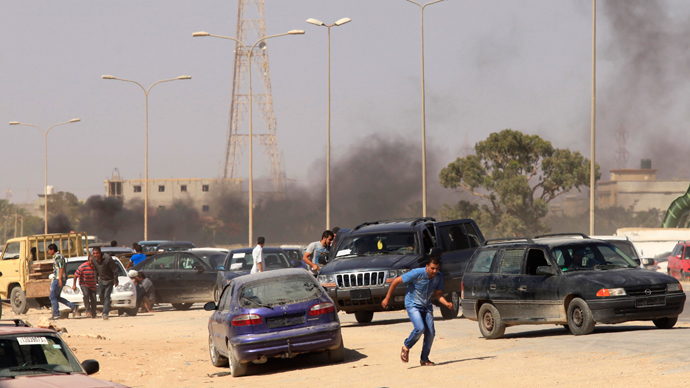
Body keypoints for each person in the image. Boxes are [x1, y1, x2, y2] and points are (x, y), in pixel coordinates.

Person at [381, 248, 453, 366]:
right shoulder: (416, 273)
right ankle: (406, 346)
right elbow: (395, 282)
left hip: (426, 306)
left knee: (430, 333)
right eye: (432, 268)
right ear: (427, 266)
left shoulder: (438, 276)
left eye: (437, 269)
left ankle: (424, 359)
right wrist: (387, 298)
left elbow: (438, 294)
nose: (434, 271)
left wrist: (447, 303)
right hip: (412, 305)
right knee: (420, 328)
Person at [47, 244, 77, 320]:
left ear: (52, 250)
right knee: (56, 297)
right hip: (58, 278)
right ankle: (72, 306)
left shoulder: (58, 257)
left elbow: (61, 267)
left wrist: (60, 279)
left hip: (58, 279)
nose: (49, 252)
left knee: (52, 296)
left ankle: (56, 314)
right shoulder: (58, 256)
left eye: (49, 250)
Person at [91, 246, 119, 320]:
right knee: (101, 296)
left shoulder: (107, 258)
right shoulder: (93, 259)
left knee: (107, 296)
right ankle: (108, 306)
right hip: (101, 280)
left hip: (109, 280)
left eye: (97, 253)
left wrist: (116, 280)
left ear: (100, 253)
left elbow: (115, 269)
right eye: (94, 253)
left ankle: (105, 313)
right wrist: (95, 278)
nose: (95, 255)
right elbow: (95, 269)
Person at [73, 254, 98, 318]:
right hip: (84, 283)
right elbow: (75, 275)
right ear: (88, 261)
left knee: (93, 298)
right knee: (86, 294)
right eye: (90, 261)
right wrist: (74, 285)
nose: (92, 263)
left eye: (93, 261)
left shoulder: (96, 266)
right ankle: (88, 311)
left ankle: (94, 313)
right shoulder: (83, 266)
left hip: (92, 284)